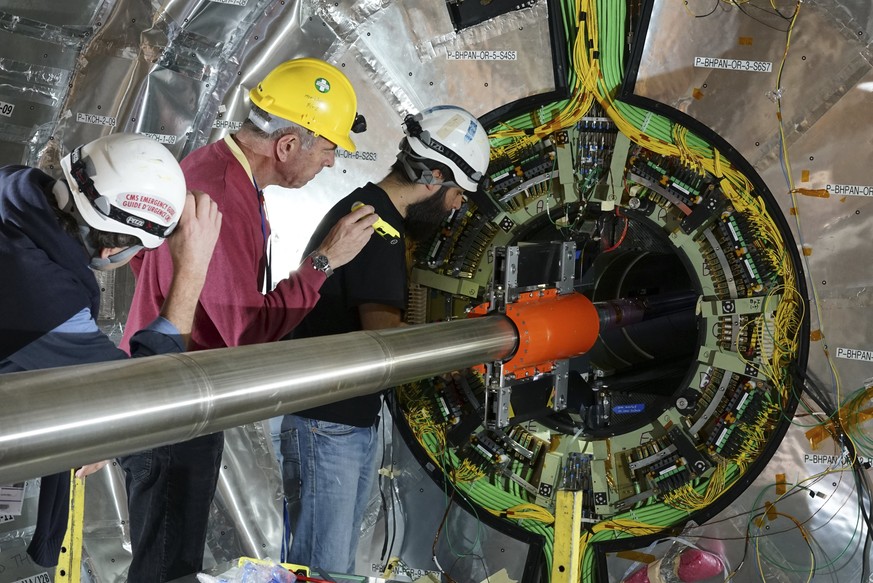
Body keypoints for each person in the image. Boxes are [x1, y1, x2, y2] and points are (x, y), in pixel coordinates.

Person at [120, 57, 377, 582]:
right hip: (172, 403)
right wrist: (323, 262)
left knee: (169, 559)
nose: (331, 163)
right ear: (287, 145)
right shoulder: (222, 192)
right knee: (167, 567)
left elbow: (149, 262)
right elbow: (243, 329)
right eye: (328, 148)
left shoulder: (216, 170)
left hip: (176, 393)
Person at [276, 105, 491, 573]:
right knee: (322, 570)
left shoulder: (370, 210)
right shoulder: (376, 230)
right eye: (457, 194)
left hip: (338, 421)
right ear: (434, 175)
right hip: (326, 424)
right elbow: (385, 342)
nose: (457, 208)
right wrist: (469, 340)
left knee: (329, 568)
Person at [0, 133, 222, 569]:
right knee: (180, 437)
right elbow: (146, 394)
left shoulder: (16, 188)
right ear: (112, 251)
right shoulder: (43, 300)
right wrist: (192, 268)